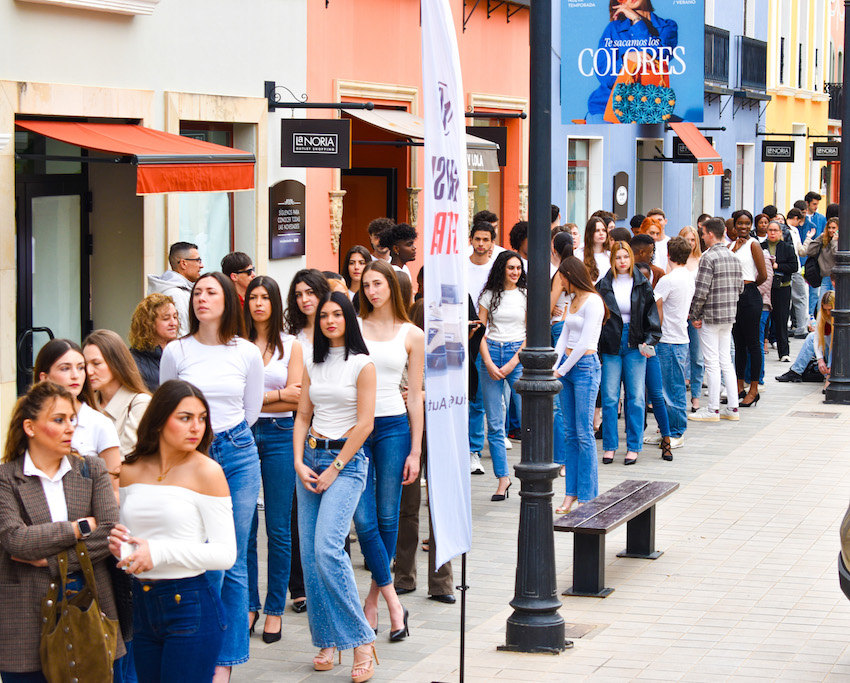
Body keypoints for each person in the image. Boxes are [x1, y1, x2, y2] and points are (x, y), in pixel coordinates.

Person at [159, 271, 264, 680]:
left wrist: (225, 437)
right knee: (202, 556)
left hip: (237, 452)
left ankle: (226, 662)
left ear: (227, 301)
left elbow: (251, 408)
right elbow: (167, 407)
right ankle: (200, 650)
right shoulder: (177, 351)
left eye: (211, 292)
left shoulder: (246, 351)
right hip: (190, 457)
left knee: (232, 557)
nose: (202, 298)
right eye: (198, 292)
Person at [109, 380, 236, 683]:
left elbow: (225, 554)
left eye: (202, 418)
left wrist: (157, 552)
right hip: (142, 603)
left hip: (190, 605)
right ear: (158, 421)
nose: (197, 427)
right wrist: (123, 548)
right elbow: (136, 537)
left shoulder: (207, 471)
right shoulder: (131, 469)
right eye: (185, 417)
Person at [0, 380, 126, 680]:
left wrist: (53, 560)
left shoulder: (91, 469)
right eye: (59, 420)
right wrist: (79, 528)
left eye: (72, 419)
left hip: (91, 612)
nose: (70, 427)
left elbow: (108, 532)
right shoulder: (6, 478)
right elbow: (16, 540)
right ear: (30, 427)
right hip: (25, 620)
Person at [293, 291, 378, 682]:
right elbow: (302, 415)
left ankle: (361, 639)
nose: (329, 321)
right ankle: (328, 638)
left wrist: (335, 467)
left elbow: (365, 424)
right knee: (311, 558)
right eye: (323, 315)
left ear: (348, 318)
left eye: (336, 314)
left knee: (328, 549)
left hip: (346, 462)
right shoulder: (312, 361)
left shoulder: (362, 365)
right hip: (309, 459)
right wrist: (298, 460)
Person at [354, 260, 423, 641]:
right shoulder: (354, 329)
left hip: (394, 427)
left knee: (386, 514)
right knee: (363, 520)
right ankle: (395, 602)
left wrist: (415, 450)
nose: (371, 291)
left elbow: (414, 397)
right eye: (366, 285)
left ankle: (374, 600)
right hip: (356, 428)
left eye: (377, 284)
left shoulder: (411, 334)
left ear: (391, 288)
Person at [243, 276, 303, 644]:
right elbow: (236, 398)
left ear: (276, 302)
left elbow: (297, 399)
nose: (258, 303)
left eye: (265, 297)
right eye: (253, 297)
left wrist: (257, 398)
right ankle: (249, 604)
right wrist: (276, 394)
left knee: (279, 528)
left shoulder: (292, 345)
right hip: (244, 434)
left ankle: (274, 609)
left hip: (281, 434)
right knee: (246, 526)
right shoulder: (236, 344)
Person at [596, 242, 660, 465]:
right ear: (612, 260)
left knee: (635, 397)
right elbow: (596, 317)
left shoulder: (642, 283)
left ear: (631, 258)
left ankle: (634, 446)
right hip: (611, 344)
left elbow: (652, 316)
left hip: (635, 342)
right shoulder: (603, 285)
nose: (622, 261)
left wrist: (649, 341)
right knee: (611, 397)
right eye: (618, 257)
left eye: (626, 257)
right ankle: (610, 446)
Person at [552, 257, 605, 513]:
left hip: (584, 367)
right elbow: (564, 335)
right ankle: (570, 494)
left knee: (583, 433)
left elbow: (584, 343)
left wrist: (560, 369)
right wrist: (554, 364)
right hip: (567, 367)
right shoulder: (571, 300)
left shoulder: (593, 300)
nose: (560, 282)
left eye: (562, 277)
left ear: (571, 275)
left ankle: (588, 496)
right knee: (570, 433)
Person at [34, 339, 121, 490]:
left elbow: (114, 490)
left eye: (81, 368)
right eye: (65, 368)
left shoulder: (99, 423)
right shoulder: (30, 422)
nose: (75, 375)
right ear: (44, 377)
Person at [478, 251, 527, 501]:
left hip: (516, 356)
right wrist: (487, 361)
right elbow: (480, 332)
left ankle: (530, 475)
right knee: (495, 423)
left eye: (518, 268)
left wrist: (511, 364)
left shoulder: (525, 295)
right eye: (510, 268)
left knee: (527, 419)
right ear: (501, 269)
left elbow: (530, 333)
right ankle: (502, 479)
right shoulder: (488, 295)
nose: (515, 272)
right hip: (490, 354)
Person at [585, 1, 678, 123]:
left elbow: (660, 53)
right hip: (608, 107)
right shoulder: (614, 29)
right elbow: (605, 75)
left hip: (650, 106)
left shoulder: (667, 27)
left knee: (687, 130)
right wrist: (626, 59)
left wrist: (636, 20)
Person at [688, 218, 743, 422]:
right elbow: (740, 288)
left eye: (703, 234)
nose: (702, 237)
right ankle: (733, 407)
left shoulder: (708, 257)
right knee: (726, 361)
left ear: (710, 234)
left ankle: (713, 409)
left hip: (711, 315)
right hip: (729, 314)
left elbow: (701, 290)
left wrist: (694, 314)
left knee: (711, 362)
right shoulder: (733, 256)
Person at [651, 237, 695, 454]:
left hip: (668, 339)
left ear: (668, 255)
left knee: (671, 388)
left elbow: (653, 304)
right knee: (672, 386)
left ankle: (676, 432)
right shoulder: (688, 277)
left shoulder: (668, 280)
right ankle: (668, 430)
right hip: (680, 337)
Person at [83, 329, 152, 460]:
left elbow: (124, 458)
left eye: (96, 363)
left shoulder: (140, 403)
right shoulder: (86, 406)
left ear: (116, 362)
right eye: (84, 365)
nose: (89, 371)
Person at [729, 210, 768, 407]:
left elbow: (762, 275)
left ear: (750, 225)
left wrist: (749, 285)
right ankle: (738, 386)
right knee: (738, 343)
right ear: (734, 225)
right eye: (740, 224)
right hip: (733, 298)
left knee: (753, 344)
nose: (743, 227)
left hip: (750, 295)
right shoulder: (730, 246)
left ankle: (753, 388)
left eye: (747, 224)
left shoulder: (754, 245)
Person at [776, 290, 834, 384]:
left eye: (830, 310)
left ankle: (830, 374)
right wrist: (820, 359)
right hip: (827, 352)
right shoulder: (822, 315)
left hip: (838, 355)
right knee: (812, 336)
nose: (827, 313)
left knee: (835, 341)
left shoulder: (840, 317)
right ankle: (796, 371)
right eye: (825, 309)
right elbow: (817, 338)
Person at [147, 242, 203, 336]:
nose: (201, 265)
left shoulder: (179, 290)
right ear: (183, 263)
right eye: (198, 260)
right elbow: (181, 335)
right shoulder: (176, 294)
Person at [762, 220, 798, 362]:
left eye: (775, 230)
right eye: (770, 230)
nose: (772, 233)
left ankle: (784, 352)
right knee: (764, 319)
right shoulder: (761, 246)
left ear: (780, 233)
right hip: (765, 288)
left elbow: (794, 266)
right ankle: (763, 346)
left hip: (782, 287)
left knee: (781, 319)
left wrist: (777, 266)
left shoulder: (787, 247)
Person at [129, 293, 180, 392]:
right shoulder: (133, 363)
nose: (173, 323)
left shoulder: (181, 354)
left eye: (175, 317)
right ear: (148, 323)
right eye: (166, 318)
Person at [285, 269, 332, 347]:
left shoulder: (335, 327)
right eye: (299, 295)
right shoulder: (293, 336)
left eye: (310, 292)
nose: (304, 300)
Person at [804, 216, 838, 303]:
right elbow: (809, 251)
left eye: (834, 228)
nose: (831, 230)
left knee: (836, 304)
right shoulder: (824, 241)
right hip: (825, 277)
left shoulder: (842, 242)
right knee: (822, 304)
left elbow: (837, 256)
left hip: (838, 278)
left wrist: (834, 241)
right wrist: (820, 237)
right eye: (829, 228)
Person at [578, 216, 611, 284]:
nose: (601, 233)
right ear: (590, 233)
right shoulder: (580, 255)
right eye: (597, 230)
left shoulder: (610, 255)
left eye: (604, 230)